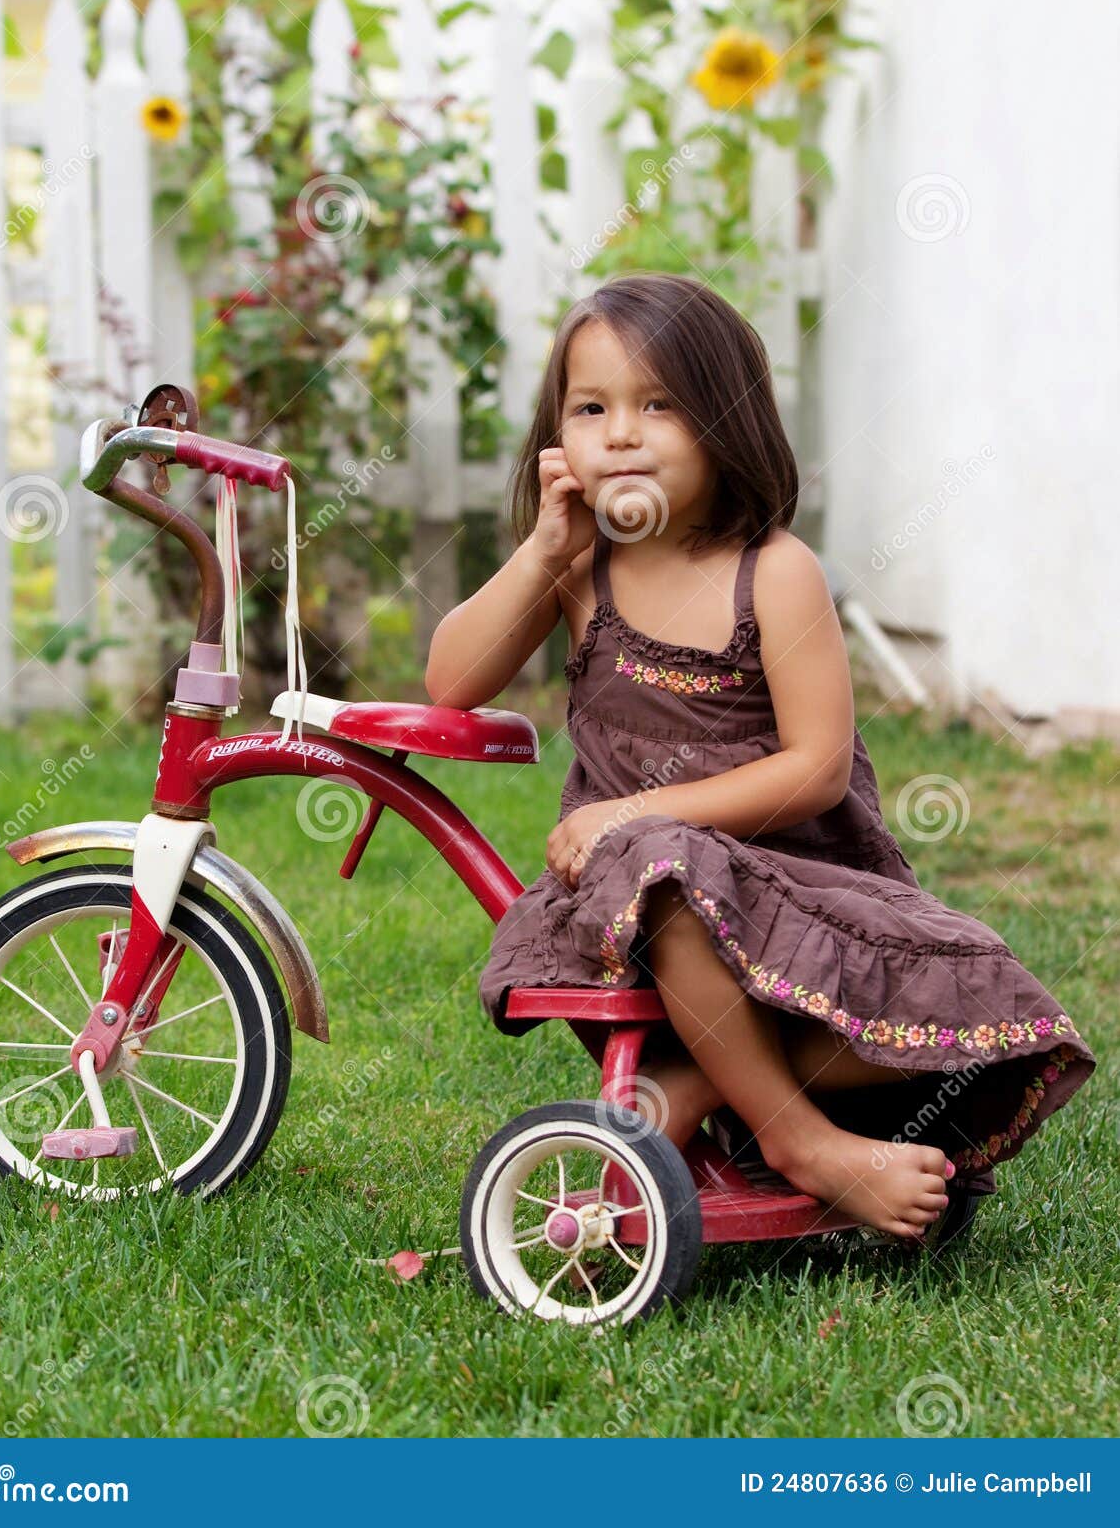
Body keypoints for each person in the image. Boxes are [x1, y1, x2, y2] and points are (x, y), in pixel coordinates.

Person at [425, 272, 1094, 1243]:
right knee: (667, 866)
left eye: (659, 404)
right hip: (642, 902)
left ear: (726, 422)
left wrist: (633, 812)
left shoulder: (773, 572)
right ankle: (802, 1141)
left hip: (800, 888)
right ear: (557, 434)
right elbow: (451, 680)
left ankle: (694, 1079)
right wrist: (538, 553)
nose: (619, 431)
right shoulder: (581, 569)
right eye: (590, 407)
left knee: (986, 999)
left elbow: (817, 766)